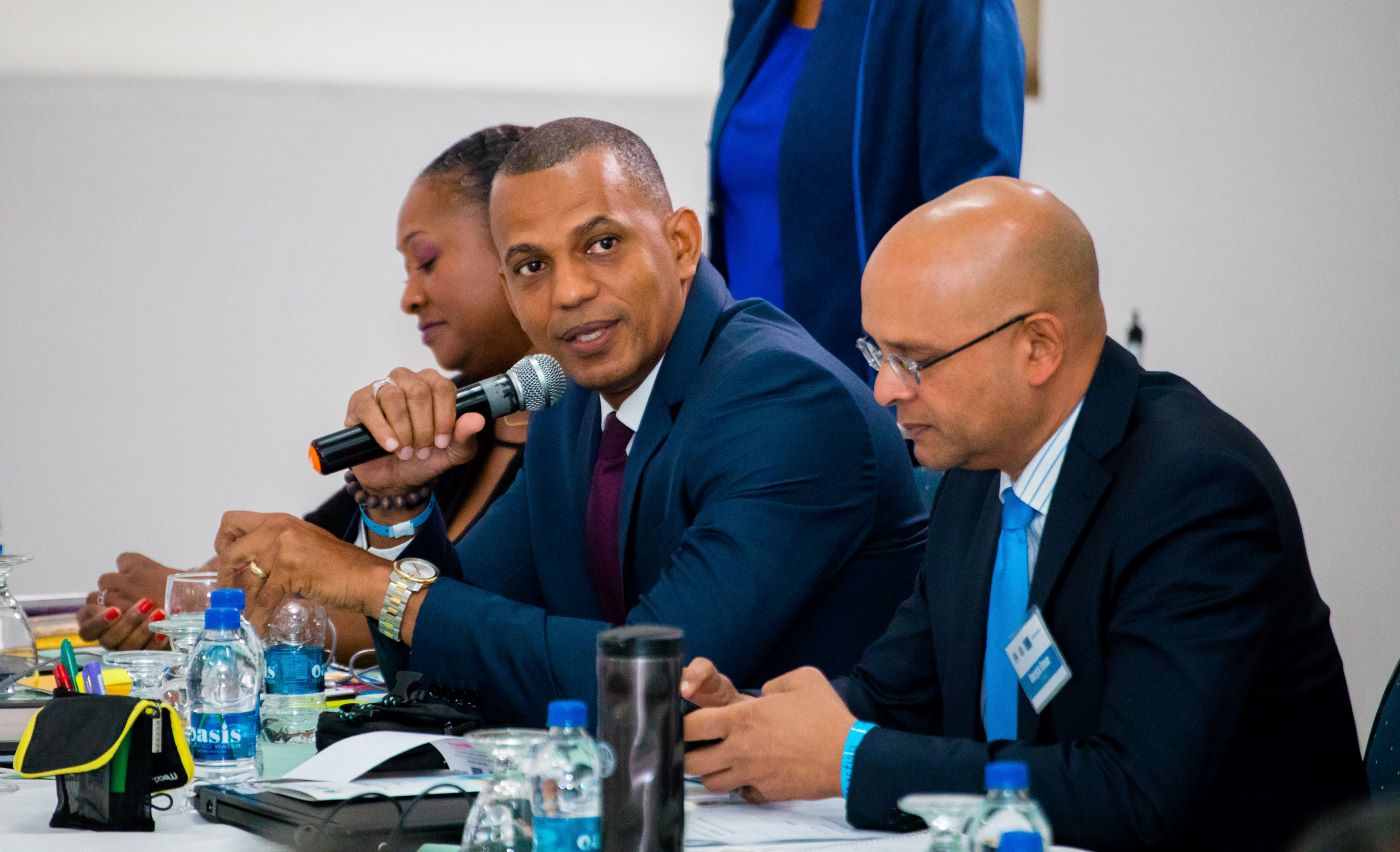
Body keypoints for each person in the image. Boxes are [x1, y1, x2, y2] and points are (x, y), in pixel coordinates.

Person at [682, 177, 1367, 851]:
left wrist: (849, 757)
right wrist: (756, 730)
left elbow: (1134, 792)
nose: (885, 389)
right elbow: (894, 697)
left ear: (1038, 347)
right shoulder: (977, 472)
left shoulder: (1195, 490)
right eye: (877, 353)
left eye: (913, 360)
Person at [214, 118, 927, 726]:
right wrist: (395, 505)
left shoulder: (782, 397)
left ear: (680, 244)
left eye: (602, 244)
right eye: (530, 265)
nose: (571, 291)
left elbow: (646, 679)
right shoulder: (572, 400)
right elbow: (457, 640)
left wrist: (373, 584)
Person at [76, 125, 537, 659]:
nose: (410, 298)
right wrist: (176, 595)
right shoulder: (448, 412)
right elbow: (292, 556)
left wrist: (201, 608)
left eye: (427, 261)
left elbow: (466, 615)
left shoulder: (583, 431)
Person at [710, 0, 1024, 376]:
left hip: (872, 391)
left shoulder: (950, 9)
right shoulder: (755, 10)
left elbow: (973, 230)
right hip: (743, 381)